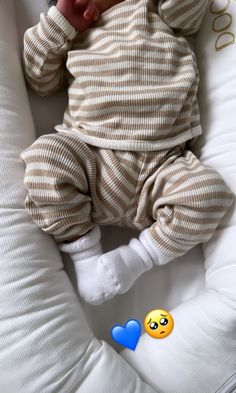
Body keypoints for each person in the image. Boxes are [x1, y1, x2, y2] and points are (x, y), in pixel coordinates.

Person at [20, 0, 234, 305]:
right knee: (45, 161)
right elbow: (39, 80)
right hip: (91, 157)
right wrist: (60, 23)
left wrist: (139, 256)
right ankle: (85, 257)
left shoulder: (164, 13)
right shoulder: (75, 28)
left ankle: (136, 258)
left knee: (207, 195)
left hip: (163, 167)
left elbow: (188, 10)